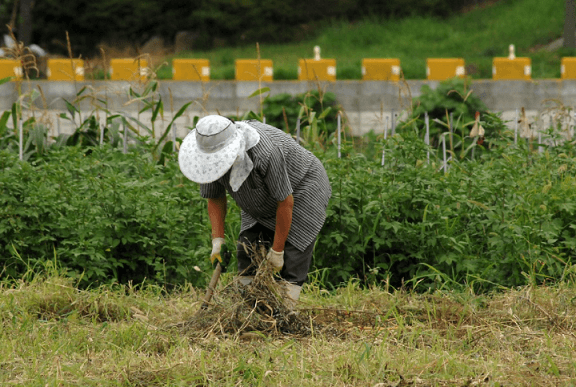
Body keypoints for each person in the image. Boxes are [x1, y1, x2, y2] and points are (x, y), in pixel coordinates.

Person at [178, 115, 331, 308]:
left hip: (302, 187)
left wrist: (277, 251)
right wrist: (218, 241)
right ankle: (251, 311)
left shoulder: (265, 152)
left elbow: (285, 202)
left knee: (292, 256)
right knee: (247, 249)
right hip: (258, 195)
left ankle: (284, 316)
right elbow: (215, 197)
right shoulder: (207, 159)